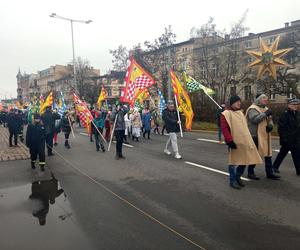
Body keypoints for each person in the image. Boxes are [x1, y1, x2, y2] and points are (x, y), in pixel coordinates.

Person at [221, 95, 263, 189]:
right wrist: (229, 141)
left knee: (244, 160)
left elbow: (244, 127)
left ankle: (238, 176)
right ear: (232, 103)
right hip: (234, 142)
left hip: (244, 141)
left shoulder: (240, 113)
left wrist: (249, 138)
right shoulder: (226, 113)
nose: (239, 103)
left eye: (239, 101)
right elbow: (225, 129)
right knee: (233, 162)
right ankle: (232, 181)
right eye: (237, 102)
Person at [245, 93, 280, 180]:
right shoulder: (252, 109)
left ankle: (269, 172)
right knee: (255, 154)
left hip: (265, 134)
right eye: (263, 98)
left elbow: (270, 119)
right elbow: (255, 120)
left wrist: (271, 126)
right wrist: (265, 114)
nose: (265, 100)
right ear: (259, 99)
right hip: (255, 135)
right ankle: (250, 172)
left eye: (266, 98)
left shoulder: (266, 108)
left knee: (268, 154)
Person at [273, 98, 300, 175]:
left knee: (297, 155)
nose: (296, 106)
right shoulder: (285, 114)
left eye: (297, 104)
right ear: (289, 105)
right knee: (282, 154)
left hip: (296, 139)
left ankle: (298, 170)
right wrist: (284, 139)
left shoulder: (297, 114)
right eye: (294, 104)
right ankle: (274, 167)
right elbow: (281, 127)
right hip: (288, 139)